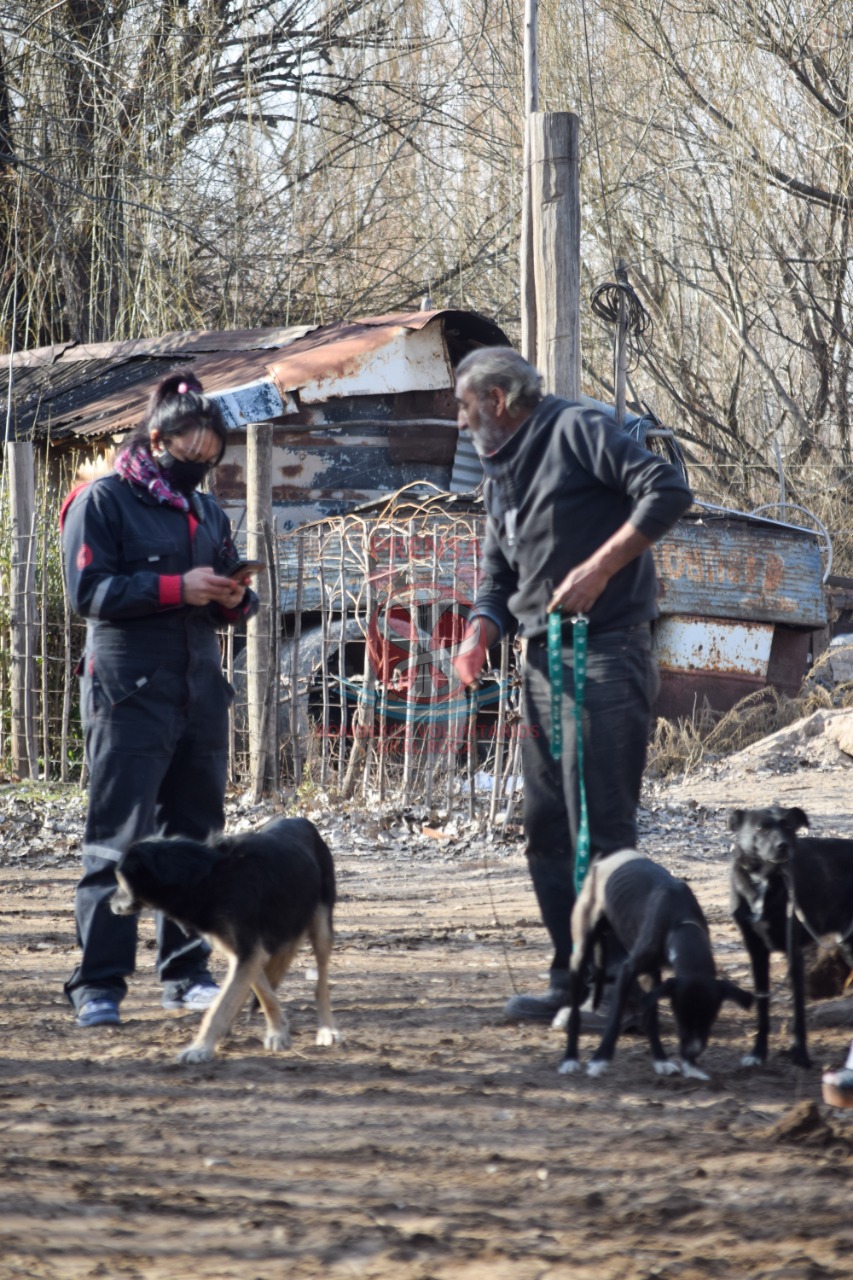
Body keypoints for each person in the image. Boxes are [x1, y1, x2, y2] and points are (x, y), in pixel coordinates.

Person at [452, 347, 693, 1022]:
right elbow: (500, 579)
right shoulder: (498, 471)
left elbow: (667, 489)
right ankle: (572, 979)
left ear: (496, 399)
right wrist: (478, 633)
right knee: (548, 829)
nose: (459, 419)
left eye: (463, 404)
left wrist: (600, 568)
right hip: (539, 664)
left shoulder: (575, 429)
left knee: (602, 832)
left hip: (605, 656)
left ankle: (624, 990)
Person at [61, 372, 259, 1028]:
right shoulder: (103, 501)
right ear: (155, 440)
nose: (198, 465)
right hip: (128, 692)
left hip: (199, 691)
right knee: (118, 840)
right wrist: (178, 588)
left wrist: (234, 597)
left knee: (195, 838)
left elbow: (231, 593)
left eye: (210, 456)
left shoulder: (208, 513)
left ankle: (186, 972)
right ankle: (98, 984)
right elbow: (89, 593)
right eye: (188, 452)